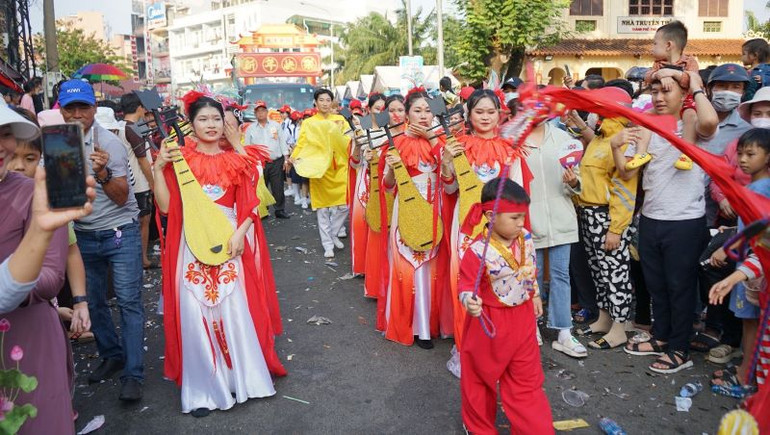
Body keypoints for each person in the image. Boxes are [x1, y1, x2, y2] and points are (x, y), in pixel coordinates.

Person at [154, 93, 286, 417]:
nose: (211, 125)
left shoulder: (235, 158)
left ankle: (243, 379)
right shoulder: (180, 159)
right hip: (192, 244)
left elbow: (250, 201)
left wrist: (240, 233)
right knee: (195, 311)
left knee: (234, 309)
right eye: (203, 119)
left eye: (216, 118)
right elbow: (166, 206)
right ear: (190, 123)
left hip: (229, 240)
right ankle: (204, 389)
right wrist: (158, 167)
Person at [0, 97, 96, 434]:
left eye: (5, 133)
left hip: (24, 340)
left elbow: (54, 272)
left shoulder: (35, 195)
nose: (4, 147)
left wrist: (79, 301)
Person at [617, 71, 718, 373]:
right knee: (657, 286)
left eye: (667, 91)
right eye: (655, 92)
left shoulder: (693, 125)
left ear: (683, 94)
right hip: (651, 218)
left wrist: (695, 86)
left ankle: (679, 349)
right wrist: (615, 147)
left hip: (685, 221)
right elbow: (626, 172)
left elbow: (711, 121)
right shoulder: (646, 127)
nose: (659, 98)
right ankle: (661, 337)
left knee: (680, 288)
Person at [58, 80, 146, 400]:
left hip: (120, 231)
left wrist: (104, 172)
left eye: (83, 107)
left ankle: (133, 373)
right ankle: (111, 355)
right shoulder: (56, 144)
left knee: (128, 302)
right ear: (61, 110)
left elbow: (122, 198)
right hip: (83, 235)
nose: (77, 114)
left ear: (94, 109)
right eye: (70, 108)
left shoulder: (109, 143)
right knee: (93, 301)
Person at [458, 178, 553, 434]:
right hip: (489, 322)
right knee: (479, 378)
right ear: (491, 216)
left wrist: (534, 294)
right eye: (514, 217)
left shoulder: (525, 238)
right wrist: (469, 301)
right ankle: (479, 427)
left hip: (523, 320)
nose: (521, 222)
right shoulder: (477, 251)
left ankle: (535, 429)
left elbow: (529, 268)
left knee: (527, 380)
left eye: (523, 216)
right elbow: (465, 284)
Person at [446, 88, 533, 369]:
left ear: (500, 114)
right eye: (479, 111)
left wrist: (516, 229)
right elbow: (450, 188)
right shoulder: (458, 146)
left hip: (502, 229)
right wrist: (447, 162)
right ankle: (466, 351)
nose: (485, 117)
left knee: (499, 282)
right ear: (468, 115)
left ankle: (498, 350)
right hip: (466, 224)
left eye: (491, 112)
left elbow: (517, 194)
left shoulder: (510, 148)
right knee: (467, 284)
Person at [380, 88, 456, 348]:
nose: (424, 115)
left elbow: (450, 181)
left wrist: (433, 140)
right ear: (407, 114)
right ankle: (409, 325)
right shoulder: (395, 143)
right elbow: (387, 186)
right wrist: (392, 169)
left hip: (435, 209)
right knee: (408, 265)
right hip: (407, 209)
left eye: (428, 111)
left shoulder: (442, 141)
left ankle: (428, 326)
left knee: (431, 267)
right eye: (417, 110)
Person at [575, 83, 639, 350]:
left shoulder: (623, 140)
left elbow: (625, 188)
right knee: (599, 271)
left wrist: (616, 228)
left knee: (616, 274)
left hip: (607, 217)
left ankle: (620, 328)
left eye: (598, 109)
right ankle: (604, 319)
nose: (593, 113)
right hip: (589, 213)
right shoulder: (601, 138)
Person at [708, 128, 770, 398]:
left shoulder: (760, 190)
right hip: (752, 265)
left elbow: (760, 233)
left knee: (751, 323)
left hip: (753, 270)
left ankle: (746, 375)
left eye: (751, 154)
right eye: (741, 153)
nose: (743, 160)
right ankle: (749, 369)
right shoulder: (756, 187)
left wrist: (728, 248)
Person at [524, 101, 585, 357]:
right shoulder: (515, 142)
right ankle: (531, 326)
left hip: (561, 218)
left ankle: (564, 332)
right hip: (528, 221)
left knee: (561, 276)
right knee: (532, 276)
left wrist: (573, 181)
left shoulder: (563, 139)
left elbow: (578, 184)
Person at [627, 20, 699, 171]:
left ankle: (688, 153)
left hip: (686, 103)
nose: (652, 48)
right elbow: (648, 76)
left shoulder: (690, 62)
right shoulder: (658, 64)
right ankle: (641, 153)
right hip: (667, 104)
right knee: (645, 118)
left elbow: (693, 80)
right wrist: (659, 74)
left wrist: (672, 73)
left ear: (668, 45)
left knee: (691, 116)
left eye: (655, 44)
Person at [289, 89, 350, 258]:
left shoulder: (340, 120)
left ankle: (333, 233)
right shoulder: (309, 123)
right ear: (315, 102)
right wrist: (294, 156)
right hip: (319, 169)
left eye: (328, 100)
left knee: (345, 205)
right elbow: (302, 143)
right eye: (321, 100)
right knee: (322, 210)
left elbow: (349, 138)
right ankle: (327, 244)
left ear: (332, 102)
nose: (325, 103)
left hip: (339, 167)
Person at [120, 92, 156, 269]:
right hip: (140, 184)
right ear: (139, 108)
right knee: (144, 221)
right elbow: (143, 160)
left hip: (127, 181)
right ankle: (143, 259)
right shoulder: (134, 128)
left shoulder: (119, 126)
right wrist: (154, 184)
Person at [245, 100, 290, 219]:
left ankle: (279, 210)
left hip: (276, 161)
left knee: (278, 187)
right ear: (255, 114)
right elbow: (247, 147)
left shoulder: (276, 125)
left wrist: (286, 159)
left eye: (262, 110)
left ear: (266, 112)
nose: (260, 113)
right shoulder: (250, 128)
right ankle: (263, 210)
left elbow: (282, 142)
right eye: (258, 111)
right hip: (259, 163)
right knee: (261, 187)